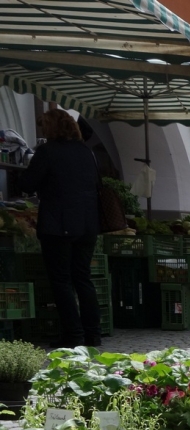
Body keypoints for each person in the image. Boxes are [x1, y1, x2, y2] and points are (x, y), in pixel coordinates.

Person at [22, 109, 102, 348]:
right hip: (88, 224)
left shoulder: (47, 152)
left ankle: (73, 335)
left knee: (61, 281)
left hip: (59, 224)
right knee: (82, 278)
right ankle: (93, 333)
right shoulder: (86, 152)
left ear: (52, 128)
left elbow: (27, 184)